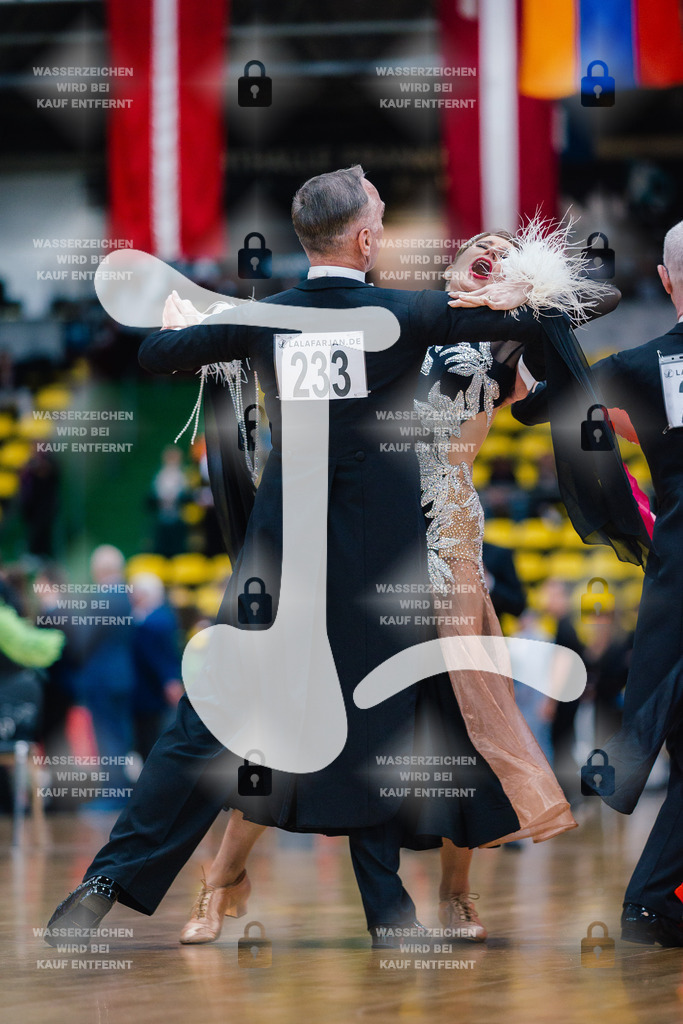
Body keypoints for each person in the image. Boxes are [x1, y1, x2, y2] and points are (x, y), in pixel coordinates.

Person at [44, 167, 643, 950]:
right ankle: (388, 916)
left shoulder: (266, 317)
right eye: (382, 218)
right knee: (380, 727)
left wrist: (184, 314)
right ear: (363, 239)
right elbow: (580, 305)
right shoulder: (404, 314)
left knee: (203, 726)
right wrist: (517, 293)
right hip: (375, 565)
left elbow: (157, 354)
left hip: (280, 558)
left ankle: (105, 885)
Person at [513, 218, 683, 947]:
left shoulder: (643, 367)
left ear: (669, 281)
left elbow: (543, 405)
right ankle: (649, 903)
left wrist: (532, 325)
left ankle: (651, 903)